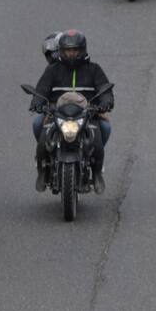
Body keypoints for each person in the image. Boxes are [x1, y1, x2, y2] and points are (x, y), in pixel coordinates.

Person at [30, 29, 113, 193]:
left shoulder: (94, 69)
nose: (72, 54)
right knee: (38, 124)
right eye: (68, 50)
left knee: (104, 128)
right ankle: (42, 170)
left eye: (75, 50)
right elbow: (41, 90)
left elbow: (105, 90)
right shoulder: (53, 70)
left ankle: (97, 173)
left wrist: (105, 103)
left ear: (82, 50)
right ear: (61, 51)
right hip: (57, 113)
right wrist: (37, 102)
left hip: (87, 114)